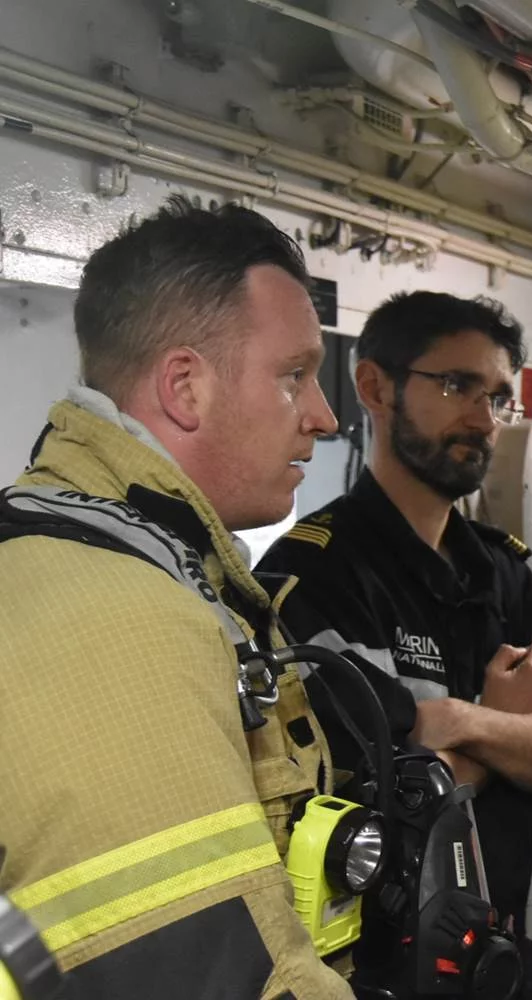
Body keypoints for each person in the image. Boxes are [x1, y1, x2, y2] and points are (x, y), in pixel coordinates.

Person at [0, 197, 351, 997]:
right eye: (294, 376)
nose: (325, 417)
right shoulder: (114, 618)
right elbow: (215, 975)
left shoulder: (133, 562)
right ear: (186, 387)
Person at [256, 291, 532, 998]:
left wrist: (460, 722)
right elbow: (370, 806)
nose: (484, 419)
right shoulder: (313, 577)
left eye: (498, 398)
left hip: (498, 959)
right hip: (373, 973)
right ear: (375, 388)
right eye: (457, 385)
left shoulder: (502, 574)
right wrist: (510, 724)